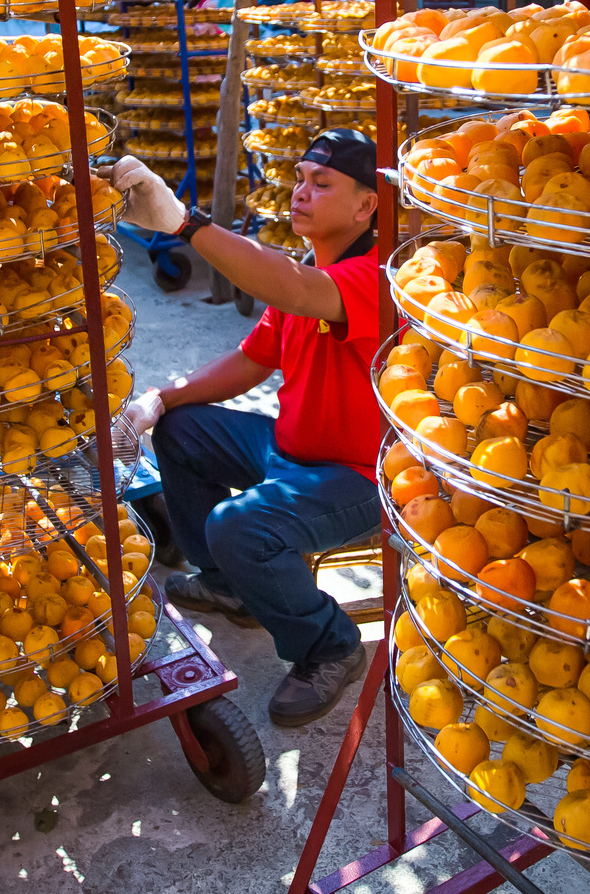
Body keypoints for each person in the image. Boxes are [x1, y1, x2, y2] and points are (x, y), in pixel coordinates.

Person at [105, 130, 383, 726]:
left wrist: (185, 224)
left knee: (240, 524)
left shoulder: (372, 276)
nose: (300, 193)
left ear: (366, 205)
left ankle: (329, 645)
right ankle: (230, 582)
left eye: (322, 184)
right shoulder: (307, 273)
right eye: (300, 179)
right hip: (289, 452)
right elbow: (251, 362)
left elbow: (298, 290)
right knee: (181, 429)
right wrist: (160, 398)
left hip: (359, 478)